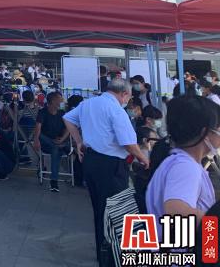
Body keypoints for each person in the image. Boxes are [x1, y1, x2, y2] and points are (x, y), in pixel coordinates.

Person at [64, 79, 149, 265]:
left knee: (99, 210)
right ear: (124, 94)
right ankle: (112, 257)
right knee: (115, 213)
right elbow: (128, 143)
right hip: (110, 165)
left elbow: (68, 118)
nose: (127, 101)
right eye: (128, 97)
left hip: (91, 161)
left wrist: (79, 141)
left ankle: (102, 255)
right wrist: (144, 159)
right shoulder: (116, 110)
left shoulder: (88, 103)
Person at [144, 95, 219, 240]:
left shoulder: (177, 161)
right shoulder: (185, 168)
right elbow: (176, 211)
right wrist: (214, 223)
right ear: (205, 133)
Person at [33, 91, 70, 193]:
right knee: (42, 136)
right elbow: (38, 128)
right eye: (60, 99)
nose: (62, 101)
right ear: (53, 101)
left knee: (55, 150)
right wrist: (36, 140)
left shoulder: (62, 113)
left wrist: (62, 139)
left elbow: (69, 128)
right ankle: (63, 147)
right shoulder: (43, 112)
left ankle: (54, 181)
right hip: (46, 142)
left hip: (57, 142)